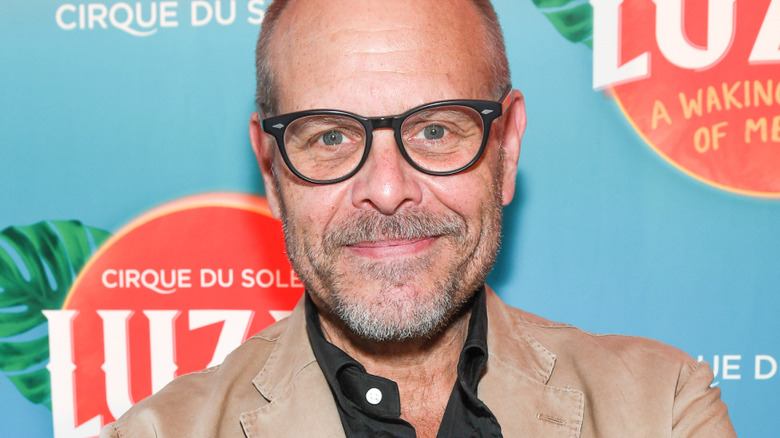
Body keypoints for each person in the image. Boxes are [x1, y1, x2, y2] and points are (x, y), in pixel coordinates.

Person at [101, 0, 736, 436]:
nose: (386, 189)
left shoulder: (661, 408)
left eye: (434, 129)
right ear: (271, 169)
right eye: (329, 138)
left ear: (507, 148)